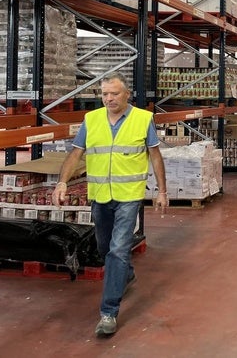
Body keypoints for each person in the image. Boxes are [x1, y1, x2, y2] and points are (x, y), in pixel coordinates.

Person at [52, 71, 168, 338]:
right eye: (104, 94)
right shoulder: (91, 120)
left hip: (129, 195)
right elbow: (75, 154)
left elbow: (155, 155)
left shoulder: (142, 119)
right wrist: (62, 182)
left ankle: (108, 312)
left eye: (114, 93)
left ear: (127, 94)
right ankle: (125, 273)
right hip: (101, 195)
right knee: (106, 247)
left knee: (117, 249)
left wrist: (162, 191)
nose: (109, 98)